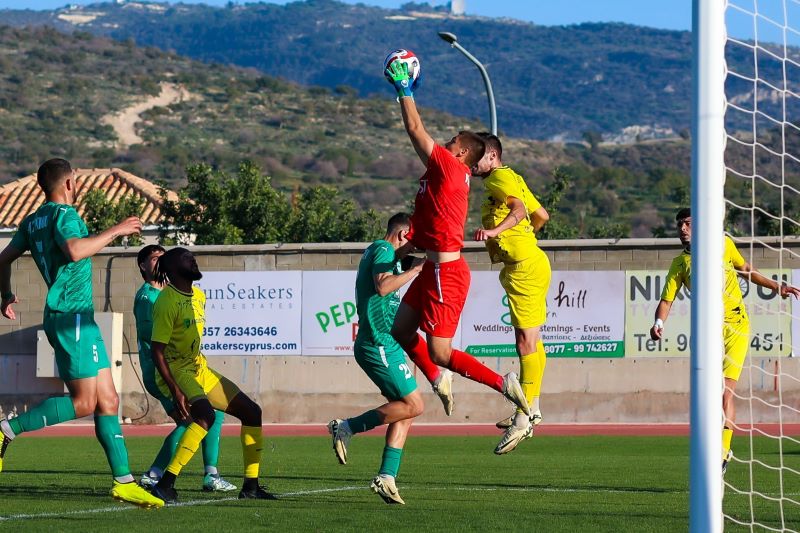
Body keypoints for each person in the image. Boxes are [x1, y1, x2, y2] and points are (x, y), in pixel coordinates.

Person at [0, 158, 163, 508]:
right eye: (76, 181)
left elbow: (2, 259)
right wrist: (116, 230)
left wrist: (6, 295)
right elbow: (74, 250)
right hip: (72, 318)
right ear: (70, 183)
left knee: (109, 401)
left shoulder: (33, 220)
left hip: (75, 319)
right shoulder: (64, 215)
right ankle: (5, 431)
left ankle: (124, 482)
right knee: (86, 402)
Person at [383, 60, 529, 431]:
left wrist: (404, 88)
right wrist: (400, 253)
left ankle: (503, 383)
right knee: (400, 329)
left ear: (462, 152)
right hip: (433, 266)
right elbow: (428, 226)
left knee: (440, 351)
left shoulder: (450, 167)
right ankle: (439, 378)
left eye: (451, 142)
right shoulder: (441, 176)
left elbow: (414, 127)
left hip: (446, 272)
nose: (445, 143)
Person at [650, 207, 800, 475]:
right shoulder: (680, 264)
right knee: (706, 397)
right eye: (679, 226)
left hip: (736, 327)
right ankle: (714, 445)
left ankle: (721, 452)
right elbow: (666, 301)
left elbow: (747, 270)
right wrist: (659, 323)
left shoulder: (723, 244)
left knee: (724, 394)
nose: (682, 229)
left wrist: (777, 287)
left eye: (687, 224)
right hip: (707, 331)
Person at [147, 247, 275, 503]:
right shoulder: (166, 302)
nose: (192, 260)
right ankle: (165, 484)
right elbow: (157, 352)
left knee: (252, 411)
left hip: (199, 368)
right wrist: (175, 390)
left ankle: (251, 487)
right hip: (177, 371)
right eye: (186, 258)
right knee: (205, 415)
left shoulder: (198, 295)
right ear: (173, 269)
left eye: (192, 257)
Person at [328, 213, 425, 505]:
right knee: (415, 406)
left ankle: (387, 476)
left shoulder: (384, 253)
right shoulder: (383, 249)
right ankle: (346, 427)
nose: (412, 249)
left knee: (405, 409)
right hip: (377, 343)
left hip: (387, 343)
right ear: (403, 234)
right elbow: (383, 286)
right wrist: (416, 270)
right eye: (412, 241)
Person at [472, 133, 551, 455]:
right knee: (532, 341)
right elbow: (541, 215)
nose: (470, 163)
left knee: (525, 343)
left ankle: (523, 417)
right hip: (526, 263)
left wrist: (495, 231)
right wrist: (524, 239)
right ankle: (533, 405)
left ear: (491, 156)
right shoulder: (511, 176)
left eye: (475, 157)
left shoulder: (499, 180)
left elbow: (519, 211)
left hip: (525, 269)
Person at [134, 244, 236, 493]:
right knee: (192, 419)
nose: (159, 262)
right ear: (143, 266)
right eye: (154, 258)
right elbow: (156, 339)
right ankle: (155, 474)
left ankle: (207, 473)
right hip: (162, 371)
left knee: (212, 413)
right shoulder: (148, 297)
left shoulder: (172, 293)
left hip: (183, 368)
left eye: (162, 257)